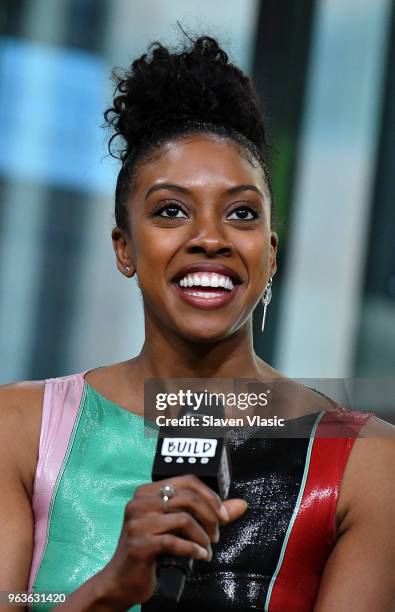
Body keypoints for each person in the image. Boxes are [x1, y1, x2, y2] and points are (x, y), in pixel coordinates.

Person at [1, 35, 395, 612]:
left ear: (271, 254)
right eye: (170, 211)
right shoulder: (20, 430)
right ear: (124, 248)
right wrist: (108, 590)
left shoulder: (366, 462)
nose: (210, 238)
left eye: (241, 213)